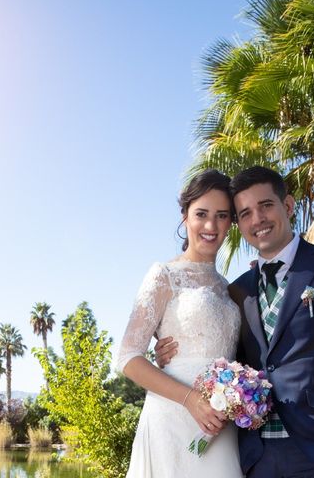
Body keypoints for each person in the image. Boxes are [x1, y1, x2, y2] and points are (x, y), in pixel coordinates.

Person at [156, 166, 314, 478]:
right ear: (239, 224)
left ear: (288, 206)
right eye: (245, 213)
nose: (257, 219)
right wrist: (168, 354)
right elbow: (228, 357)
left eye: (266, 205)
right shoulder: (238, 289)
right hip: (255, 455)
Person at [115, 169, 244, 478]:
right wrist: (190, 400)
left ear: (231, 223)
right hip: (173, 417)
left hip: (219, 424)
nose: (211, 226)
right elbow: (127, 358)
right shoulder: (164, 275)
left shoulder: (232, 288)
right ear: (185, 215)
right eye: (201, 214)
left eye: (222, 215)